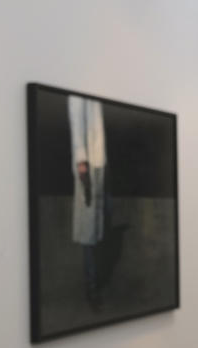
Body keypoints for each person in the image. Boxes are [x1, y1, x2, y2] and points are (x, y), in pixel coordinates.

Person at [68, 94, 108, 308]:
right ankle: (91, 289)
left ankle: (95, 284)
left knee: (96, 227)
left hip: (99, 160)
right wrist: (81, 161)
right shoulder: (76, 94)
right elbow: (76, 121)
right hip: (87, 164)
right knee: (88, 229)